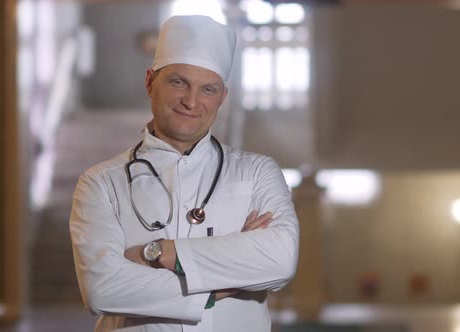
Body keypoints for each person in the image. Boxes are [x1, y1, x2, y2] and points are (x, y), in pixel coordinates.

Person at [70, 15, 299, 332]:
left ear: (222, 97)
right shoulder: (100, 183)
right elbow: (102, 289)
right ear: (150, 82)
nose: (192, 101)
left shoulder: (258, 172)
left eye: (208, 89)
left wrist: (160, 253)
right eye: (178, 82)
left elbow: (280, 260)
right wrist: (223, 282)